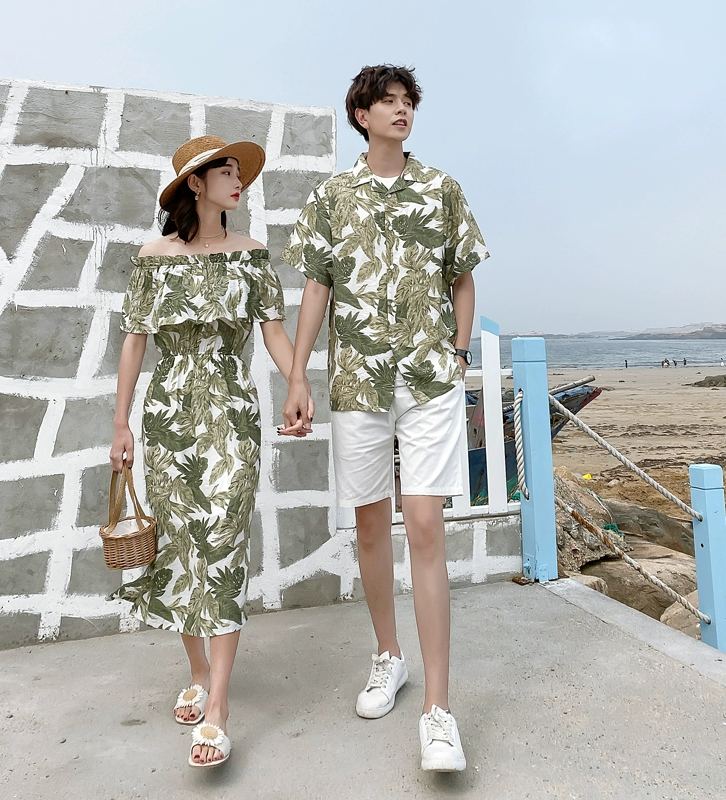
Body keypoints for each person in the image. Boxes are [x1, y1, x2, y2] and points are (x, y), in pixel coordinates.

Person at [280, 64, 489, 772]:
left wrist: (458, 352)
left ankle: (439, 711)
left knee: (424, 524)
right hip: (357, 380)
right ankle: (388, 655)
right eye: (388, 102)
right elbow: (316, 286)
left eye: (408, 102)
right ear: (361, 115)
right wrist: (298, 375)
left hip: (428, 380)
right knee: (370, 523)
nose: (402, 111)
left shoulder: (441, 189)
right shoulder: (332, 197)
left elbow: (463, 277)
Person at [110, 136, 310, 768]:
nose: (237, 179)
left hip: (231, 416)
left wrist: (298, 383)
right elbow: (134, 343)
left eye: (238, 171)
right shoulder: (153, 258)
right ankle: (198, 671)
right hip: (168, 419)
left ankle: (218, 707)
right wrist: (121, 424)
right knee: (181, 546)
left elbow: (273, 332)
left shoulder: (251, 255)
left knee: (221, 544)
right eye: (224, 171)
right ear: (194, 185)